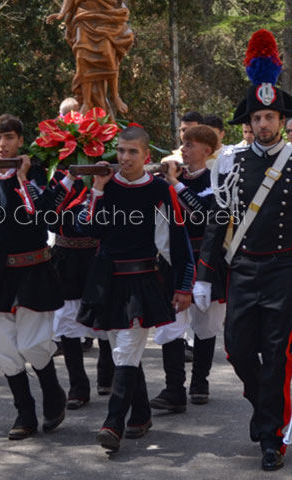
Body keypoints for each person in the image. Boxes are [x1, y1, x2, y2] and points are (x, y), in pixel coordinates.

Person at [198, 29, 292, 471]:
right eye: (257, 118)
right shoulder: (231, 161)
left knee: (276, 354)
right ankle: (263, 409)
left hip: (284, 268)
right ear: (248, 123)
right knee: (236, 349)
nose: (264, 124)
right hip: (243, 268)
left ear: (281, 120)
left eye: (271, 117)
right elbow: (220, 218)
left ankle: (272, 435)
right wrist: (202, 274)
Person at [76, 124, 195, 453]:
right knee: (122, 351)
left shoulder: (159, 190)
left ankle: (113, 423)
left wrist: (184, 286)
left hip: (142, 281)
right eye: (121, 151)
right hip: (107, 282)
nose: (125, 157)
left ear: (146, 155)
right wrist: (97, 191)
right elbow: (88, 229)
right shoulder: (105, 187)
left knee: (126, 349)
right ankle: (141, 415)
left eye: (132, 152)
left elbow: (177, 240)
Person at [0, 114, 68, 440]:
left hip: (34, 268)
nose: (2, 144)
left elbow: (44, 214)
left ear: (20, 141)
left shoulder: (36, 173)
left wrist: (21, 177)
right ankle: (24, 411)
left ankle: (53, 393)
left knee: (34, 344)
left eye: (8, 138)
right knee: (6, 349)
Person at [151, 124, 224, 411]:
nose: (183, 149)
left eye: (190, 145)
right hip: (172, 258)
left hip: (205, 259)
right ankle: (173, 389)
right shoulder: (170, 179)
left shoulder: (216, 178)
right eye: (183, 143)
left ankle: (200, 381)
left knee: (205, 325)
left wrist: (176, 185)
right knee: (171, 324)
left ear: (207, 150)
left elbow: (205, 215)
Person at [48, 162, 114, 409]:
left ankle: (107, 372)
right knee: (66, 320)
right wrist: (69, 177)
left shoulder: (107, 172)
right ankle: (78, 384)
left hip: (96, 255)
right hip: (65, 257)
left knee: (104, 313)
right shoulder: (60, 175)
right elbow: (48, 216)